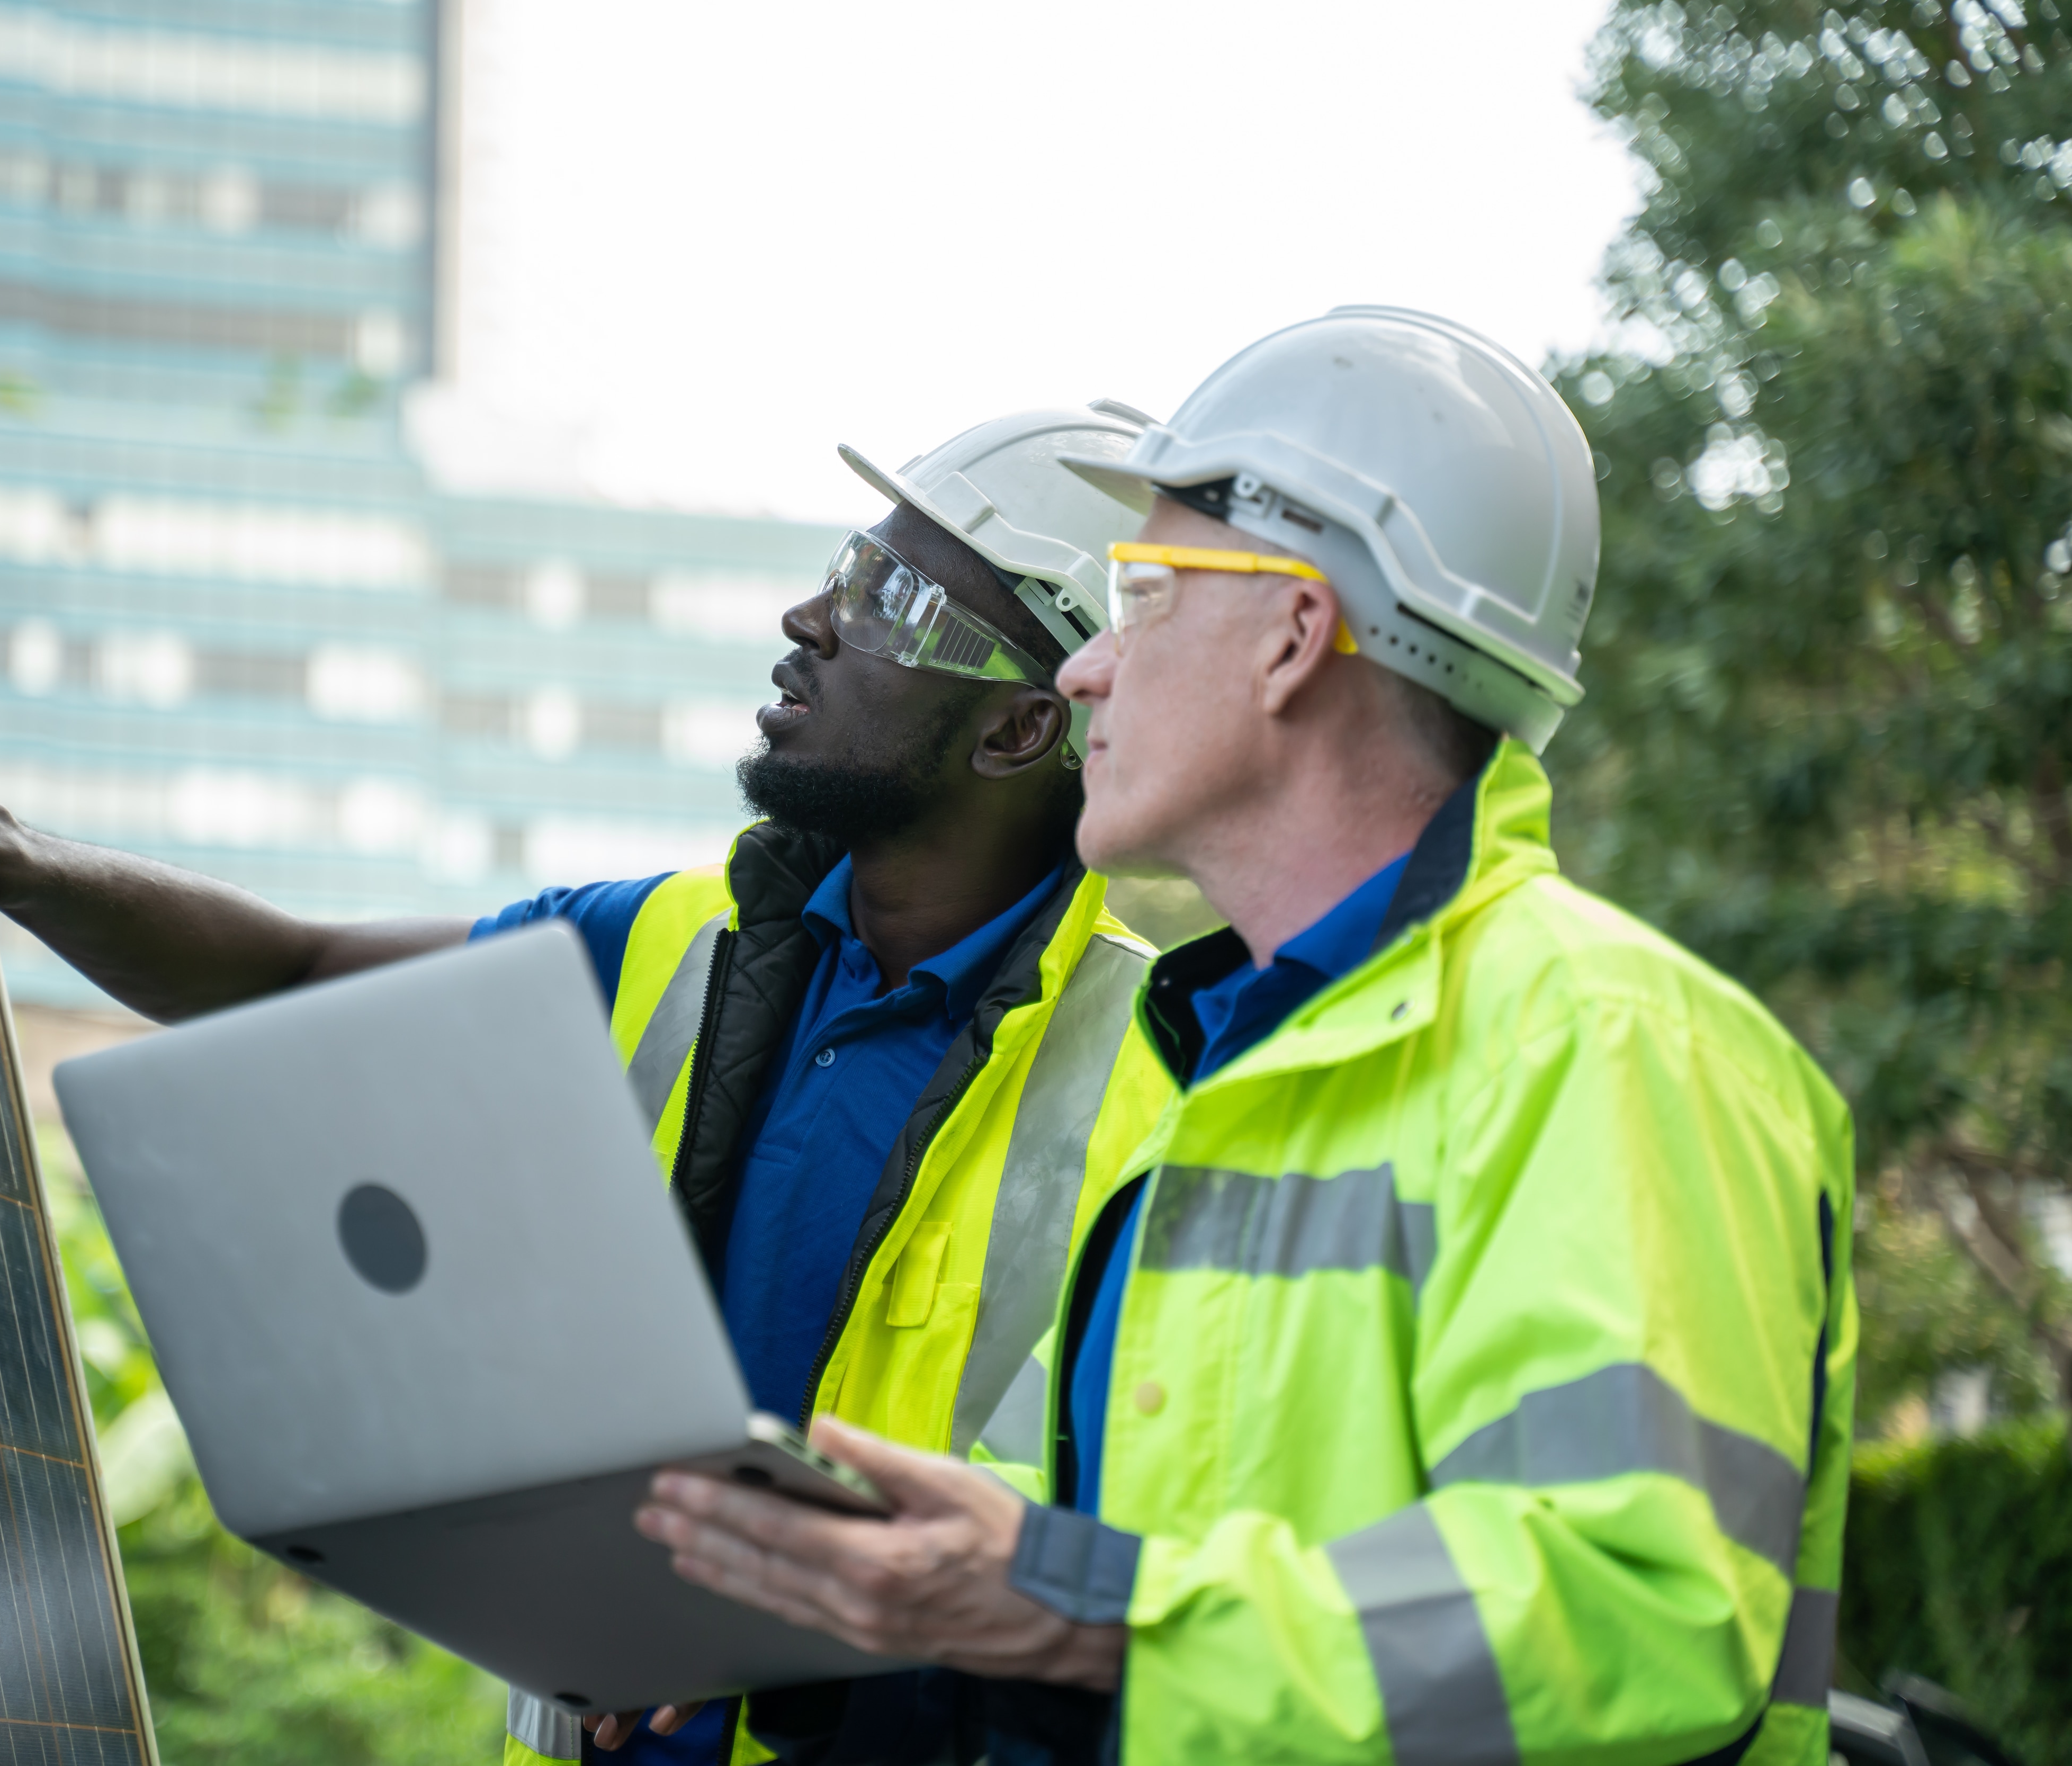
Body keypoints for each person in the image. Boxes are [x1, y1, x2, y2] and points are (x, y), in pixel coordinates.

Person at [0, 405, 1183, 1766]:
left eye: (895, 605)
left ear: (1020, 729)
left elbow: (1133, 1564)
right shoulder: (669, 950)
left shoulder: (1165, 1073)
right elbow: (294, 969)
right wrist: (1, 860)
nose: (815, 621)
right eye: (850, 568)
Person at [631, 309, 1860, 1766]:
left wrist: (1067, 1606)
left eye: (1143, 596)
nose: (1085, 674)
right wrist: (870, 1624)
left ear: (1292, 638)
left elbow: (1641, 1620)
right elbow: (1218, 1604)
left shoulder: (1604, 1046)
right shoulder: (1220, 1065)